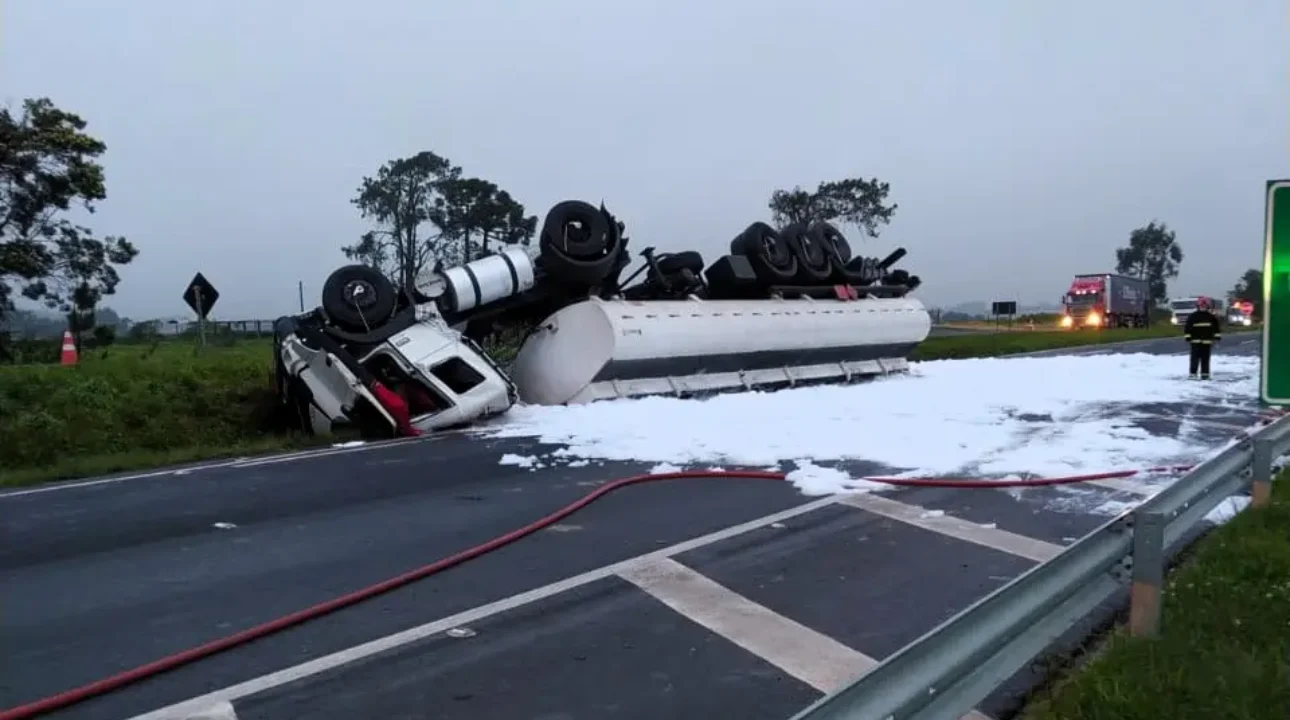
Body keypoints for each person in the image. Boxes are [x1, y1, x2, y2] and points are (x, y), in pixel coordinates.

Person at [1183, 296, 1222, 379]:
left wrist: (1217, 338)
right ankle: (1193, 374)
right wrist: (1188, 337)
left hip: (1207, 342)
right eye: (1201, 306)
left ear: (1207, 306)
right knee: (1194, 359)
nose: (1203, 307)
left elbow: (1216, 329)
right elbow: (1187, 327)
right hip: (1195, 342)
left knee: (1205, 359)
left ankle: (1205, 374)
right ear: (1198, 306)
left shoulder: (1211, 317)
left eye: (1204, 306)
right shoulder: (1193, 316)